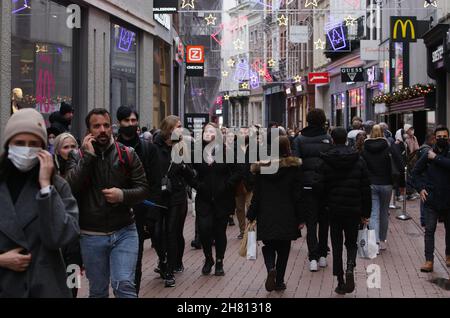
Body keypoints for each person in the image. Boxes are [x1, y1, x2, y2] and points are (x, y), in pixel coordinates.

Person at [65, 108, 149, 298]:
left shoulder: (127, 154)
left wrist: (122, 195)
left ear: (112, 127)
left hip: (124, 231)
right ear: (89, 130)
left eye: (106, 125)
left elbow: (143, 189)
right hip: (91, 235)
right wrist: (88, 157)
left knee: (124, 284)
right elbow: (69, 189)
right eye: (96, 126)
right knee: (98, 290)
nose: (102, 130)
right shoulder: (77, 156)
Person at [0, 108, 79, 298]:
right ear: (8, 144)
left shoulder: (57, 185)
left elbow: (62, 236)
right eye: (19, 143)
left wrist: (46, 188)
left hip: (45, 286)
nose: (26, 149)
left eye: (34, 143)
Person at [315, 128, 371, 295]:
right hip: (353, 208)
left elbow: (319, 186)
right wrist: (366, 212)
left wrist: (322, 205)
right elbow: (365, 187)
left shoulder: (325, 160)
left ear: (332, 139)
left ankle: (340, 280)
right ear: (346, 139)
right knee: (351, 242)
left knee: (337, 243)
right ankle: (350, 266)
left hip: (333, 209)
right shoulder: (358, 159)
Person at [247, 136, 305, 292]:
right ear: (287, 148)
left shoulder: (262, 169)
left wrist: (251, 215)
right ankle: (279, 281)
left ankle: (270, 266)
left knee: (268, 246)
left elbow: (256, 195)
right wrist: (301, 217)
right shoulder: (293, 168)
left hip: (266, 213)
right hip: (287, 213)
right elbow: (297, 195)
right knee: (284, 249)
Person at [116, 106, 162, 295]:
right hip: (115, 210)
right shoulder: (112, 147)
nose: (131, 124)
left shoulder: (148, 148)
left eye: (134, 121)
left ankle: (132, 292)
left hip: (140, 212)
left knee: (135, 258)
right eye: (126, 121)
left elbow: (155, 182)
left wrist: (151, 217)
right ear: (120, 123)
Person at [193, 123, 242, 276]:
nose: (208, 134)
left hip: (222, 199)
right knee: (204, 229)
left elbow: (238, 171)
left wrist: (228, 185)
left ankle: (219, 261)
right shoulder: (196, 152)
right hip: (204, 198)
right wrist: (197, 185)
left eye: (212, 131)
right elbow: (188, 172)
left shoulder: (227, 152)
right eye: (206, 131)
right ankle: (208, 258)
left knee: (220, 231)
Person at [154, 116, 196, 287]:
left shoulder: (182, 147)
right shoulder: (154, 147)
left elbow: (191, 173)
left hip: (176, 195)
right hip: (157, 196)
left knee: (172, 232)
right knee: (157, 233)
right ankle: (162, 260)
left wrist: (188, 170)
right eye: (178, 126)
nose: (181, 129)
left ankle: (170, 270)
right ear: (169, 128)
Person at [293, 109, 332, 272]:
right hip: (324, 187)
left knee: (311, 223)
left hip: (307, 187)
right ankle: (323, 255)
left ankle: (313, 258)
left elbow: (297, 165)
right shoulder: (328, 139)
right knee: (324, 222)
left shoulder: (299, 139)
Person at [412, 126, 450, 272]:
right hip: (431, 199)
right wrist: (420, 188)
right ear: (434, 138)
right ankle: (429, 260)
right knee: (429, 230)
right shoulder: (427, 153)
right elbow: (415, 172)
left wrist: (436, 158)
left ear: (448, 137)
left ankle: (448, 255)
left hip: (448, 198)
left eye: (444, 137)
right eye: (439, 137)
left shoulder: (436, 155)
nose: (441, 139)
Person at [361, 125, 403, 251]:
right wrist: (401, 183)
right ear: (383, 133)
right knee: (384, 213)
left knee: (373, 213)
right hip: (386, 184)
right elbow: (399, 164)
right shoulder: (389, 147)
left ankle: (375, 243)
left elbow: (362, 166)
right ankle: (383, 239)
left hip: (371, 184)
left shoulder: (365, 148)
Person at [53, 132, 83, 297]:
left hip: (75, 237)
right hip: (56, 236)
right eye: (66, 147)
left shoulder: (81, 170)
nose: (70, 150)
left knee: (73, 280)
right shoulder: (50, 173)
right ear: (58, 151)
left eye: (73, 147)